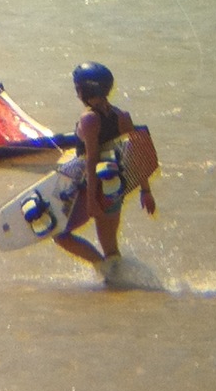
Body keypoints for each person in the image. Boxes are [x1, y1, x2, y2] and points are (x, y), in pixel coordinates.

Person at [54, 61, 156, 276]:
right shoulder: (122, 116)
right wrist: (145, 191)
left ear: (83, 90)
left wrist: (91, 200)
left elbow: (91, 160)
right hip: (113, 188)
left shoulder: (89, 119)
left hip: (89, 188)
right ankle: (119, 283)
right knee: (111, 249)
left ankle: (102, 267)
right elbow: (136, 152)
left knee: (60, 235)